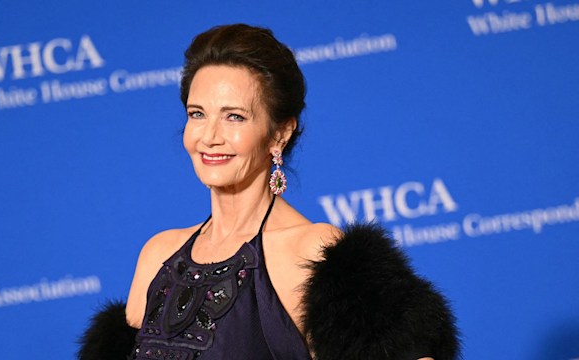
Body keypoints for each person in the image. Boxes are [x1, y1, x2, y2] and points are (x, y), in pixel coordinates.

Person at [78, 24, 460, 360]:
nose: (209, 136)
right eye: (197, 114)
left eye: (235, 116)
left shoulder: (313, 252)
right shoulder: (157, 255)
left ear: (280, 132)